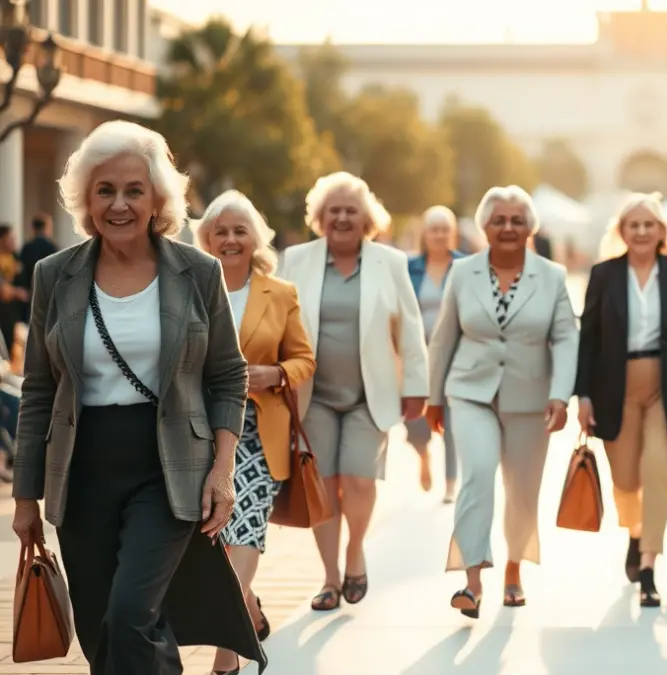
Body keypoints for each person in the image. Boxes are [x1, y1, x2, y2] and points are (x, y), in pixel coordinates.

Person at [11, 120, 265, 674]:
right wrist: (25, 498)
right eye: (105, 190)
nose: (119, 205)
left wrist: (222, 471)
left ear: (157, 199)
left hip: (168, 466)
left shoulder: (197, 273)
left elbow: (227, 376)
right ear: (85, 199)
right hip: (81, 469)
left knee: (131, 613)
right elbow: (37, 393)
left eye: (134, 190)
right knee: (102, 628)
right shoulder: (55, 275)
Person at [278, 171, 429, 612]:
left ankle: (355, 550)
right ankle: (328, 578)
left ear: (367, 219)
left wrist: (416, 387)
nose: (342, 218)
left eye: (351, 211)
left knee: (359, 479)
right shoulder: (296, 260)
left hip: (370, 395)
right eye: (334, 211)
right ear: (320, 217)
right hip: (314, 397)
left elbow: (411, 327)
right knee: (323, 485)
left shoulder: (390, 262)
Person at [426, 185, 578, 617]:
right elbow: (443, 338)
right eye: (499, 220)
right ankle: (472, 581)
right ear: (484, 227)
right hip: (470, 391)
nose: (508, 227)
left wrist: (560, 395)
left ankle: (513, 568)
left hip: (531, 398)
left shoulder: (551, 276)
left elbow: (567, 337)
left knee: (522, 491)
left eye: (517, 220)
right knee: (475, 475)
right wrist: (434, 397)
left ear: (531, 227)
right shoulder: (463, 272)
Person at [192, 190, 317, 674]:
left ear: (254, 238)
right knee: (212, 535)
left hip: (260, 432)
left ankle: (227, 659)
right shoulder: (189, 286)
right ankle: (249, 611)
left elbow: (305, 358)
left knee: (246, 527)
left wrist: (278, 374)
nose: (229, 239)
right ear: (206, 238)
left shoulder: (280, 293)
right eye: (220, 231)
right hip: (201, 430)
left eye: (239, 230)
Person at [576, 192, 667, 607]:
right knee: (625, 480)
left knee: (657, 470)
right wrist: (582, 395)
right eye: (633, 225)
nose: (640, 232)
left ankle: (650, 565)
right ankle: (635, 533)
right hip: (613, 387)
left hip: (665, 385)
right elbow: (588, 341)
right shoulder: (603, 274)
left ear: (660, 231)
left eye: (648, 225)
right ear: (622, 232)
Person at [405, 205, 465, 504]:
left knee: (453, 421)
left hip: (455, 358)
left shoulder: (466, 266)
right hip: (417, 359)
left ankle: (451, 483)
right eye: (434, 229)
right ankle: (422, 452)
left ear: (452, 233)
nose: (439, 234)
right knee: (415, 420)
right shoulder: (409, 268)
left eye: (445, 228)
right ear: (424, 234)